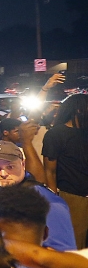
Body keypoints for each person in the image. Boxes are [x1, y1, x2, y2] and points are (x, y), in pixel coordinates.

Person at [0, 140, 76, 251]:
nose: (3, 174)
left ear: (23, 164)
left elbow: (63, 251)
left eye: (10, 167)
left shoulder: (47, 201)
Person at [43, 94, 88, 249]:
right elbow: (50, 170)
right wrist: (54, 200)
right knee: (76, 244)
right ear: (79, 110)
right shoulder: (56, 134)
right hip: (73, 197)